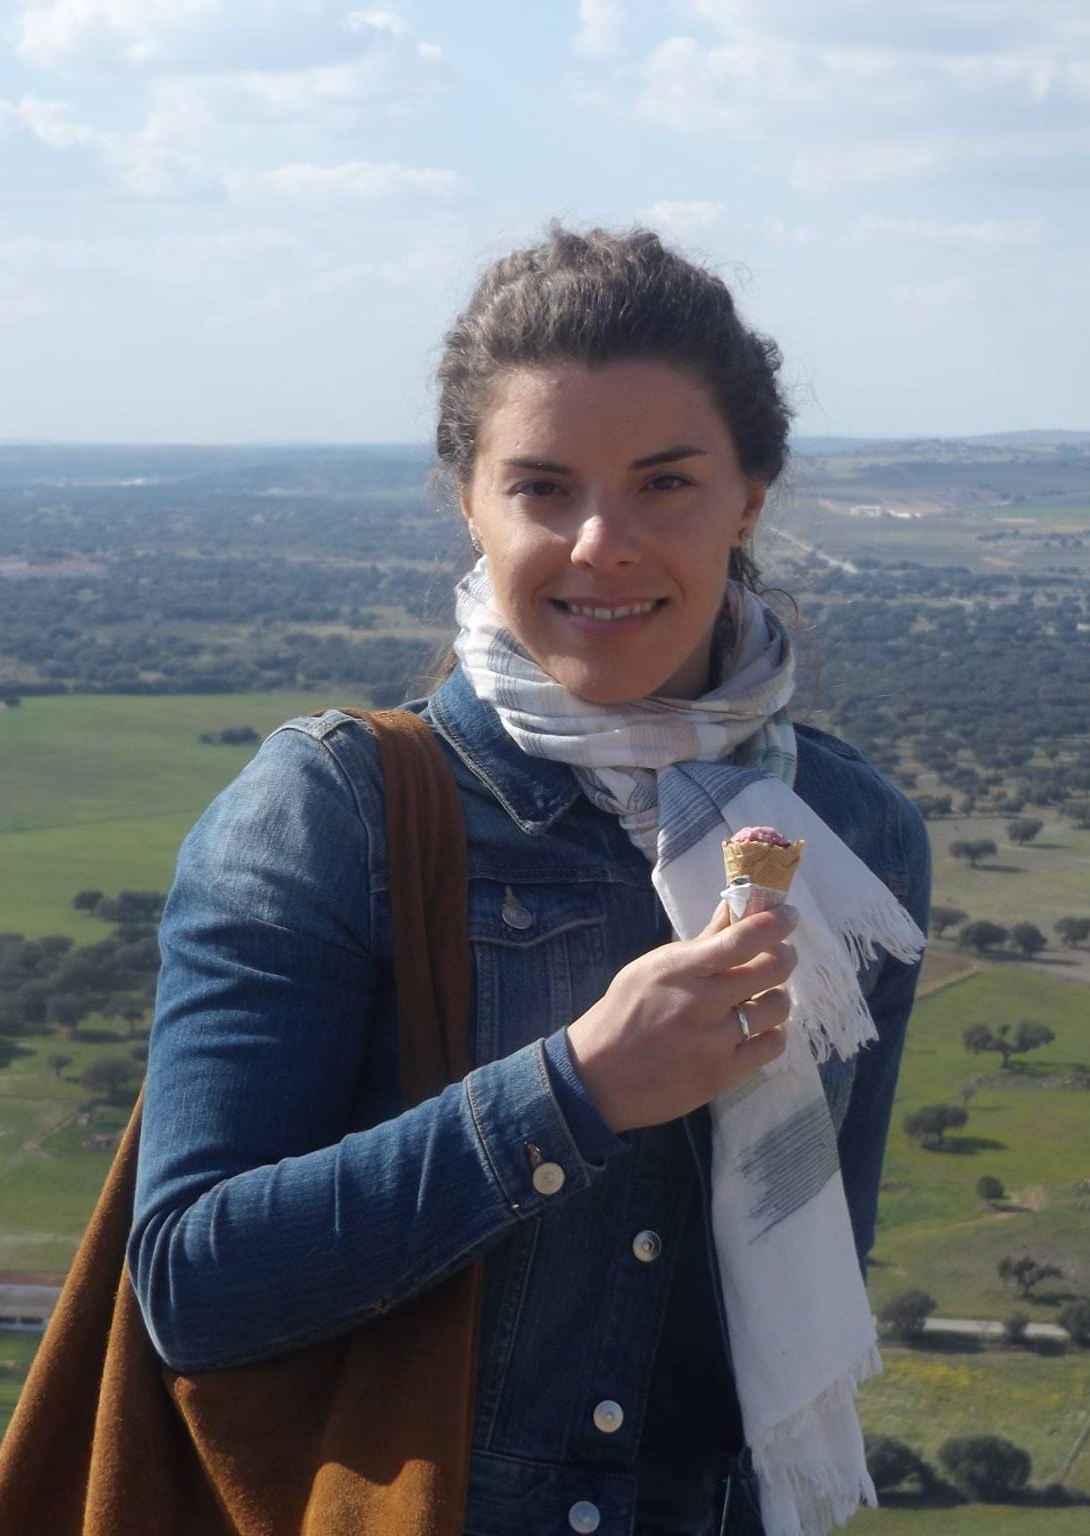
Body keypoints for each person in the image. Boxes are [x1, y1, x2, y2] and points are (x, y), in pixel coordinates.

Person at [130, 225, 930, 1536]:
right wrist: (576, 1092)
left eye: (665, 484)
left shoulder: (852, 836)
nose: (602, 544)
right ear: (470, 500)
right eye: (545, 488)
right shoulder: (335, 813)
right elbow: (192, 1286)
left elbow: (821, 1256)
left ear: (751, 495)